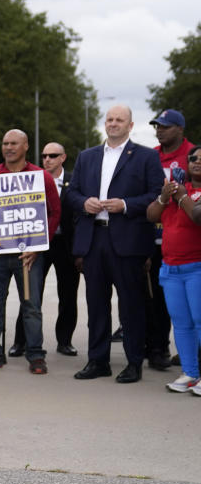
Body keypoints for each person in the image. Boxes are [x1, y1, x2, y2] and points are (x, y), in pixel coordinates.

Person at [64, 105, 164, 383]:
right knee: (96, 303)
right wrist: (84, 202)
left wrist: (126, 204)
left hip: (128, 240)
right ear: (104, 124)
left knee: (131, 305)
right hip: (93, 238)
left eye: (120, 120)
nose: (114, 124)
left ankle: (134, 362)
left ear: (131, 126)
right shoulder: (87, 157)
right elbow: (71, 194)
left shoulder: (145, 157)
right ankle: (98, 361)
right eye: (110, 119)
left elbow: (158, 196)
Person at [0, 130, 60, 374]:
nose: (8, 147)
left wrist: (41, 246)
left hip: (28, 255)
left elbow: (55, 212)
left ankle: (35, 355)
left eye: (14, 143)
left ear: (26, 146)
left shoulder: (41, 177)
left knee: (31, 306)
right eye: (5, 143)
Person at [9, 142, 80, 357]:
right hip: (38, 243)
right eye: (44, 156)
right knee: (30, 291)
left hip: (66, 243)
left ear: (63, 157)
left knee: (68, 294)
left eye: (53, 155)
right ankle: (20, 341)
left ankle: (65, 340)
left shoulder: (74, 181)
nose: (47, 159)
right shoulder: (32, 179)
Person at [147, 145, 201, 394]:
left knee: (200, 322)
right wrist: (163, 198)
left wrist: (181, 198)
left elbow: (197, 216)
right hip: (171, 267)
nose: (196, 162)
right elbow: (151, 215)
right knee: (181, 323)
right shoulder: (178, 190)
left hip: (196, 267)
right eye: (193, 159)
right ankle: (190, 373)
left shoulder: (186, 194)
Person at [145, 109, 194, 370]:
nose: (159, 130)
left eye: (165, 126)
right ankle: (158, 348)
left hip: (188, 241)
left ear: (180, 129)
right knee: (159, 300)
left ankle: (191, 354)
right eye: (157, 126)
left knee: (192, 306)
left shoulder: (193, 155)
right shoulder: (150, 156)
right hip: (155, 238)